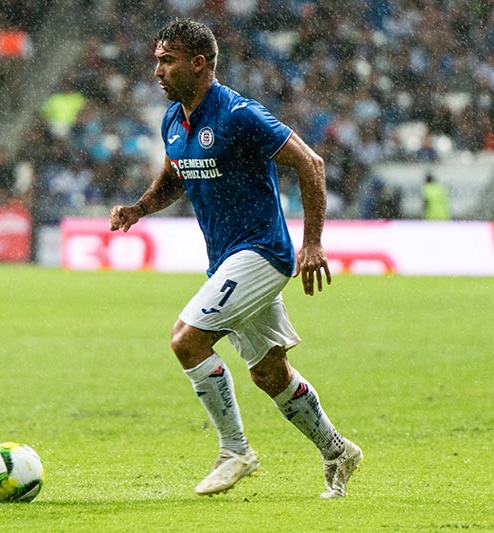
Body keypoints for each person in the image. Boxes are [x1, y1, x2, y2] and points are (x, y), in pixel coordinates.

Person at [109, 19, 362, 499]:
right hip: (226, 256)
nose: (157, 71)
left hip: (262, 251)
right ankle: (338, 450)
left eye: (168, 61)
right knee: (269, 373)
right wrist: (139, 208)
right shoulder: (173, 120)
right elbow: (176, 176)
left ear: (199, 64)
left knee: (186, 341)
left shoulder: (239, 115)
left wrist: (312, 243)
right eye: (157, 60)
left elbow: (312, 163)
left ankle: (235, 451)